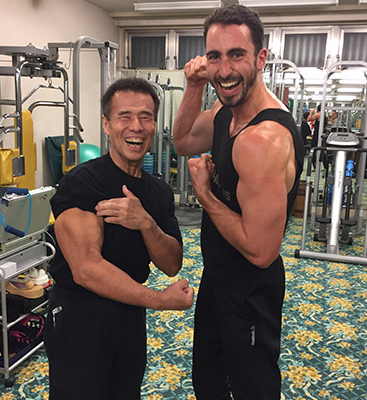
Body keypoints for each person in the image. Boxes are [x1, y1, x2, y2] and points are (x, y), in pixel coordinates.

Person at [173, 5, 304, 399]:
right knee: (209, 382)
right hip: (217, 276)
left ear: (260, 59)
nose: (224, 70)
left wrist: (205, 195)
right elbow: (182, 142)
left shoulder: (263, 139)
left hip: (249, 291)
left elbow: (262, 252)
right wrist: (194, 86)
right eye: (214, 56)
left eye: (236, 54)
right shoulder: (224, 112)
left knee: (252, 389)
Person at [44, 77, 194, 400]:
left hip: (129, 319)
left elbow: (172, 263)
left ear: (155, 125)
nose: (136, 126)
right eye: (124, 116)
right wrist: (160, 300)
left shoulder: (159, 192)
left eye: (145, 117)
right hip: (81, 320)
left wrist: (146, 223)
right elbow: (86, 269)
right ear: (107, 124)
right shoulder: (82, 182)